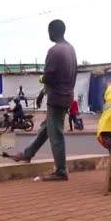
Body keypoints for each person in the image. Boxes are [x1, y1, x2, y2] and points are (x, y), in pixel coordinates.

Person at [6, 20, 77, 182]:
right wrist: (42, 93)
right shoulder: (70, 49)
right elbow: (62, 76)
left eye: (49, 31)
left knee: (56, 134)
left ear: (53, 31)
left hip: (57, 97)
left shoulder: (55, 50)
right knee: (46, 128)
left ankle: (61, 171)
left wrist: (42, 79)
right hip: (66, 96)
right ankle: (27, 154)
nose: (48, 35)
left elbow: (50, 76)